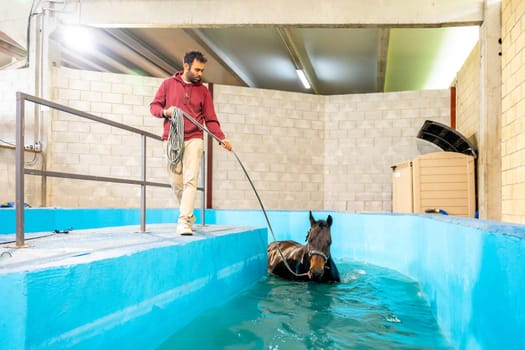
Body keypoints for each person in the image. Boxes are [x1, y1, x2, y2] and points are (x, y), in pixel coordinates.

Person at [150, 51, 232, 235]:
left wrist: (221, 138)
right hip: (172, 138)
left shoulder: (203, 91)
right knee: (176, 182)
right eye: (197, 69)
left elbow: (210, 119)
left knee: (190, 180)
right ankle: (189, 214)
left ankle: (184, 221)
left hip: (194, 138)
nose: (200, 74)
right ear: (185, 66)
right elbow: (153, 107)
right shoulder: (168, 84)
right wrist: (166, 112)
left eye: (202, 70)